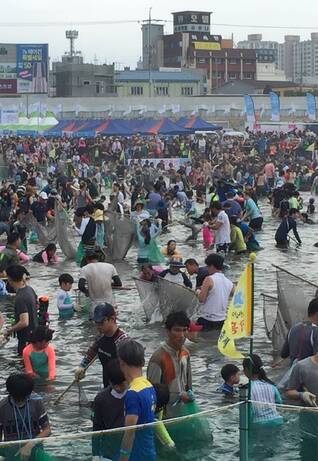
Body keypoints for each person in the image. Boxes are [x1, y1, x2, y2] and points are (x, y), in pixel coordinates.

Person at [118, 339, 156, 461]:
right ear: (142, 362)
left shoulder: (133, 394)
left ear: (122, 363)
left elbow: (129, 433)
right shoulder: (149, 385)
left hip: (137, 455)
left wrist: (123, 458)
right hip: (149, 450)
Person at [75, 303, 129, 387]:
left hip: (121, 388)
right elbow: (92, 351)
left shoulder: (123, 341)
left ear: (112, 319)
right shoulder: (101, 337)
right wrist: (82, 366)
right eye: (96, 322)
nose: (98, 326)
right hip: (108, 385)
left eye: (101, 322)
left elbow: (131, 368)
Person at [147, 311, 192, 410]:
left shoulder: (186, 354)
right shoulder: (158, 358)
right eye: (177, 330)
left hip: (183, 410)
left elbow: (189, 387)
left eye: (185, 330)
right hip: (165, 414)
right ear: (167, 331)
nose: (182, 335)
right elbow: (152, 393)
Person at [0, 373, 51, 460]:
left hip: (35, 449)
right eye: (17, 398)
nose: (20, 401)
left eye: (25, 397)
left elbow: (47, 430)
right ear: (10, 393)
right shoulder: (2, 407)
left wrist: (29, 445)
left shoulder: (36, 402)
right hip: (12, 452)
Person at [92, 359, 127, 461]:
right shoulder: (100, 399)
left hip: (129, 448)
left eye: (121, 384)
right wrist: (95, 454)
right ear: (109, 382)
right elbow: (97, 427)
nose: (119, 388)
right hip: (108, 451)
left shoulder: (133, 394)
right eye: (115, 384)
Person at [5, 265, 38, 355]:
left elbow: (24, 322)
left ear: (10, 279)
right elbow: (36, 307)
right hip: (35, 335)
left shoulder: (20, 298)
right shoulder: (30, 290)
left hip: (26, 339)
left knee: (24, 366)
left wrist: (9, 330)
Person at [243, 354, 283, 426]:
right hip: (278, 420)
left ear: (246, 370)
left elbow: (247, 413)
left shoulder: (247, 390)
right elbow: (279, 403)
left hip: (259, 424)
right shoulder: (272, 385)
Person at [78, 252, 122, 318]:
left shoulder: (84, 269)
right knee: (111, 322)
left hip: (95, 305)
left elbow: (81, 286)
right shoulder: (110, 266)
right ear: (98, 259)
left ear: (87, 260)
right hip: (110, 303)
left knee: (96, 325)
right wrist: (109, 284)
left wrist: (87, 292)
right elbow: (119, 284)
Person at [197, 253, 234, 331]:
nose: (207, 269)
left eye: (208, 266)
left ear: (212, 266)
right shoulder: (229, 283)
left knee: (202, 341)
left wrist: (198, 291)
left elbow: (201, 299)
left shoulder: (208, 279)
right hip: (222, 320)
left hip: (207, 319)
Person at [279, 298, 318, 365]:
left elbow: (283, 354)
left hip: (294, 373)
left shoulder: (293, 329)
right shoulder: (315, 332)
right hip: (310, 374)